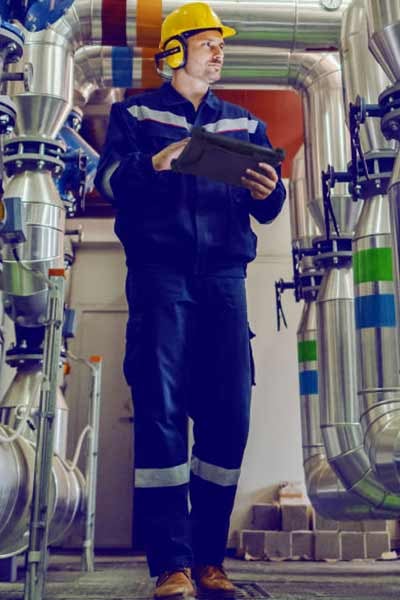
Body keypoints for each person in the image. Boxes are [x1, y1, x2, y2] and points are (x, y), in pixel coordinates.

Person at [95, 2, 286, 598]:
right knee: (161, 415)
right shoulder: (134, 114)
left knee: (229, 415)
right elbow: (108, 183)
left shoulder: (244, 124)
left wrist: (269, 190)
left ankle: (210, 560)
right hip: (161, 278)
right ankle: (171, 565)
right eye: (208, 42)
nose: (219, 51)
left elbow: (267, 206)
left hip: (224, 282)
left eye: (220, 44)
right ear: (174, 51)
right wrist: (155, 161)